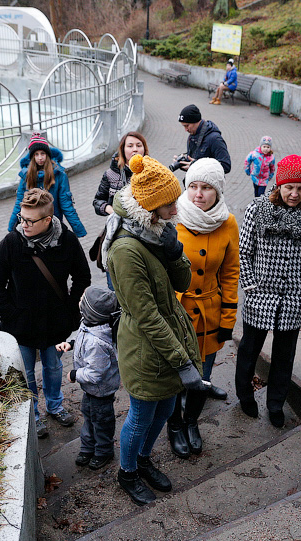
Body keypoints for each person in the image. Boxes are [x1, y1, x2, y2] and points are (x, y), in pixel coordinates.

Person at [101, 154, 204, 505]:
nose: (177, 209)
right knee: (142, 416)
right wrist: (182, 362)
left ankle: (143, 460)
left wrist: (175, 252)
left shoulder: (155, 231)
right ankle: (127, 472)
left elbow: (183, 282)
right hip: (146, 350)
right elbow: (146, 316)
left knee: (164, 410)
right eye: (169, 204)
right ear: (149, 206)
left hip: (169, 340)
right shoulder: (126, 249)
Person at [235, 154, 301, 428]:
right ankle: (245, 396)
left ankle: (275, 404)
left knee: (284, 355)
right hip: (260, 294)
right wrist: (250, 286)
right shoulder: (256, 209)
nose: (295, 194)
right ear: (279, 185)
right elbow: (244, 251)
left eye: (300, 188)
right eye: (289, 187)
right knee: (249, 349)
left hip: (293, 298)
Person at [0, 188, 91, 439]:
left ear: (47, 220)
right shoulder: (11, 243)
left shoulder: (66, 241)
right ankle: (33, 414)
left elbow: (82, 277)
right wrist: (9, 314)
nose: (23, 224)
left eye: (29, 221)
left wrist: (70, 310)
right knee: (26, 372)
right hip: (20, 325)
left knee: (53, 367)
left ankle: (55, 406)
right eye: (21, 218)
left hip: (55, 322)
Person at [166, 158, 239, 459]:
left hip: (209, 313)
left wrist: (228, 318)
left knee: (202, 376)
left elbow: (231, 273)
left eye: (206, 187)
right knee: (175, 375)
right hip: (177, 312)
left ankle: (191, 422)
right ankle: (174, 425)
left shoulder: (227, 222)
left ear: (218, 191)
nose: (198, 194)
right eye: (193, 186)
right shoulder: (172, 218)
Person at [57, 286, 121, 470]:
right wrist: (71, 344)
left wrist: (75, 374)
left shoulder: (97, 342)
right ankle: (87, 447)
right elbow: (83, 339)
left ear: (90, 311)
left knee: (102, 422)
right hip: (91, 391)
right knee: (89, 417)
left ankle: (104, 451)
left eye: (82, 300)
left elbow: (96, 373)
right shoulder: (89, 324)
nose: (79, 301)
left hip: (101, 392)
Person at [8, 133, 87, 238]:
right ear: (32, 157)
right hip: (32, 225)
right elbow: (19, 203)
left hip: (52, 225)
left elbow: (66, 204)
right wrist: (11, 228)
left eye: (43, 153)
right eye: (36, 154)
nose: (40, 158)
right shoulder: (26, 176)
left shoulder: (59, 175)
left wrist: (78, 229)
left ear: (47, 155)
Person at [92, 132, 148, 217]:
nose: (135, 149)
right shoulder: (110, 174)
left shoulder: (152, 172)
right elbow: (98, 201)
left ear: (144, 149)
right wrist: (113, 212)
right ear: (123, 150)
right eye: (130, 146)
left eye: (139, 145)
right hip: (120, 222)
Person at [170, 105, 231, 174]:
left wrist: (198, 166)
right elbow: (194, 160)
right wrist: (183, 162)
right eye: (184, 126)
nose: (186, 130)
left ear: (196, 121)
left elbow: (226, 166)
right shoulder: (192, 136)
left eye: (187, 125)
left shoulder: (215, 139)